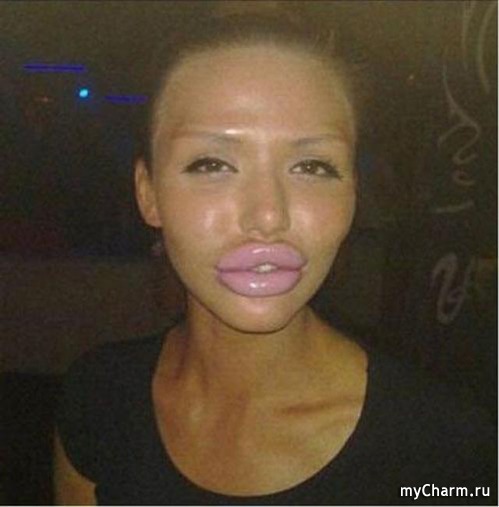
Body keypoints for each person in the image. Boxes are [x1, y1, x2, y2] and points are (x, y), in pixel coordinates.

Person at [54, 8, 496, 505]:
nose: (268, 215)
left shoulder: (445, 449)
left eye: (313, 166)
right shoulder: (98, 399)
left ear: (353, 191)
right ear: (148, 192)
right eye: (212, 163)